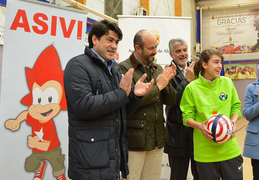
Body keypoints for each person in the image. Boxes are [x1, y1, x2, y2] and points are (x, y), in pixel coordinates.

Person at [63, 20, 154, 180]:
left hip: (112, 159)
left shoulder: (114, 68)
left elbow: (121, 110)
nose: (114, 45)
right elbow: (84, 106)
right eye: (109, 40)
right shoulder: (77, 65)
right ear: (95, 39)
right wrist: (121, 94)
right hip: (88, 162)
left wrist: (134, 96)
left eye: (117, 42)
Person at [119, 29, 177, 180]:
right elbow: (130, 102)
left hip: (156, 139)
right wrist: (159, 86)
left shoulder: (156, 68)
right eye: (151, 48)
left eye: (156, 47)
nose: (155, 51)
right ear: (138, 48)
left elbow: (171, 101)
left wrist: (167, 82)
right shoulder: (124, 68)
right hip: (135, 141)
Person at [180, 48, 243, 180]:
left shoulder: (227, 83)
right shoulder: (192, 88)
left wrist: (234, 121)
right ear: (204, 64)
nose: (220, 66)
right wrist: (200, 126)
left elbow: (236, 107)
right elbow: (187, 117)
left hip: (230, 151)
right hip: (205, 154)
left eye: (220, 62)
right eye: (216, 62)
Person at [164, 38, 199, 180]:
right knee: (178, 177)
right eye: (178, 51)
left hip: (198, 134)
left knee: (200, 175)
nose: (183, 54)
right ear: (171, 54)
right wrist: (187, 80)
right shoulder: (167, 72)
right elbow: (172, 100)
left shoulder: (197, 69)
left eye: (185, 50)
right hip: (177, 136)